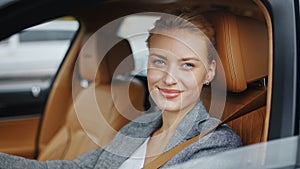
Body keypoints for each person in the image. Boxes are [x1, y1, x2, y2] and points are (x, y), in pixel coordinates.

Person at [0, 10, 242, 169]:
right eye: (159, 61)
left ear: (209, 72)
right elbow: (80, 168)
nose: (169, 79)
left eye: (187, 64)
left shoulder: (215, 144)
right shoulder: (140, 126)